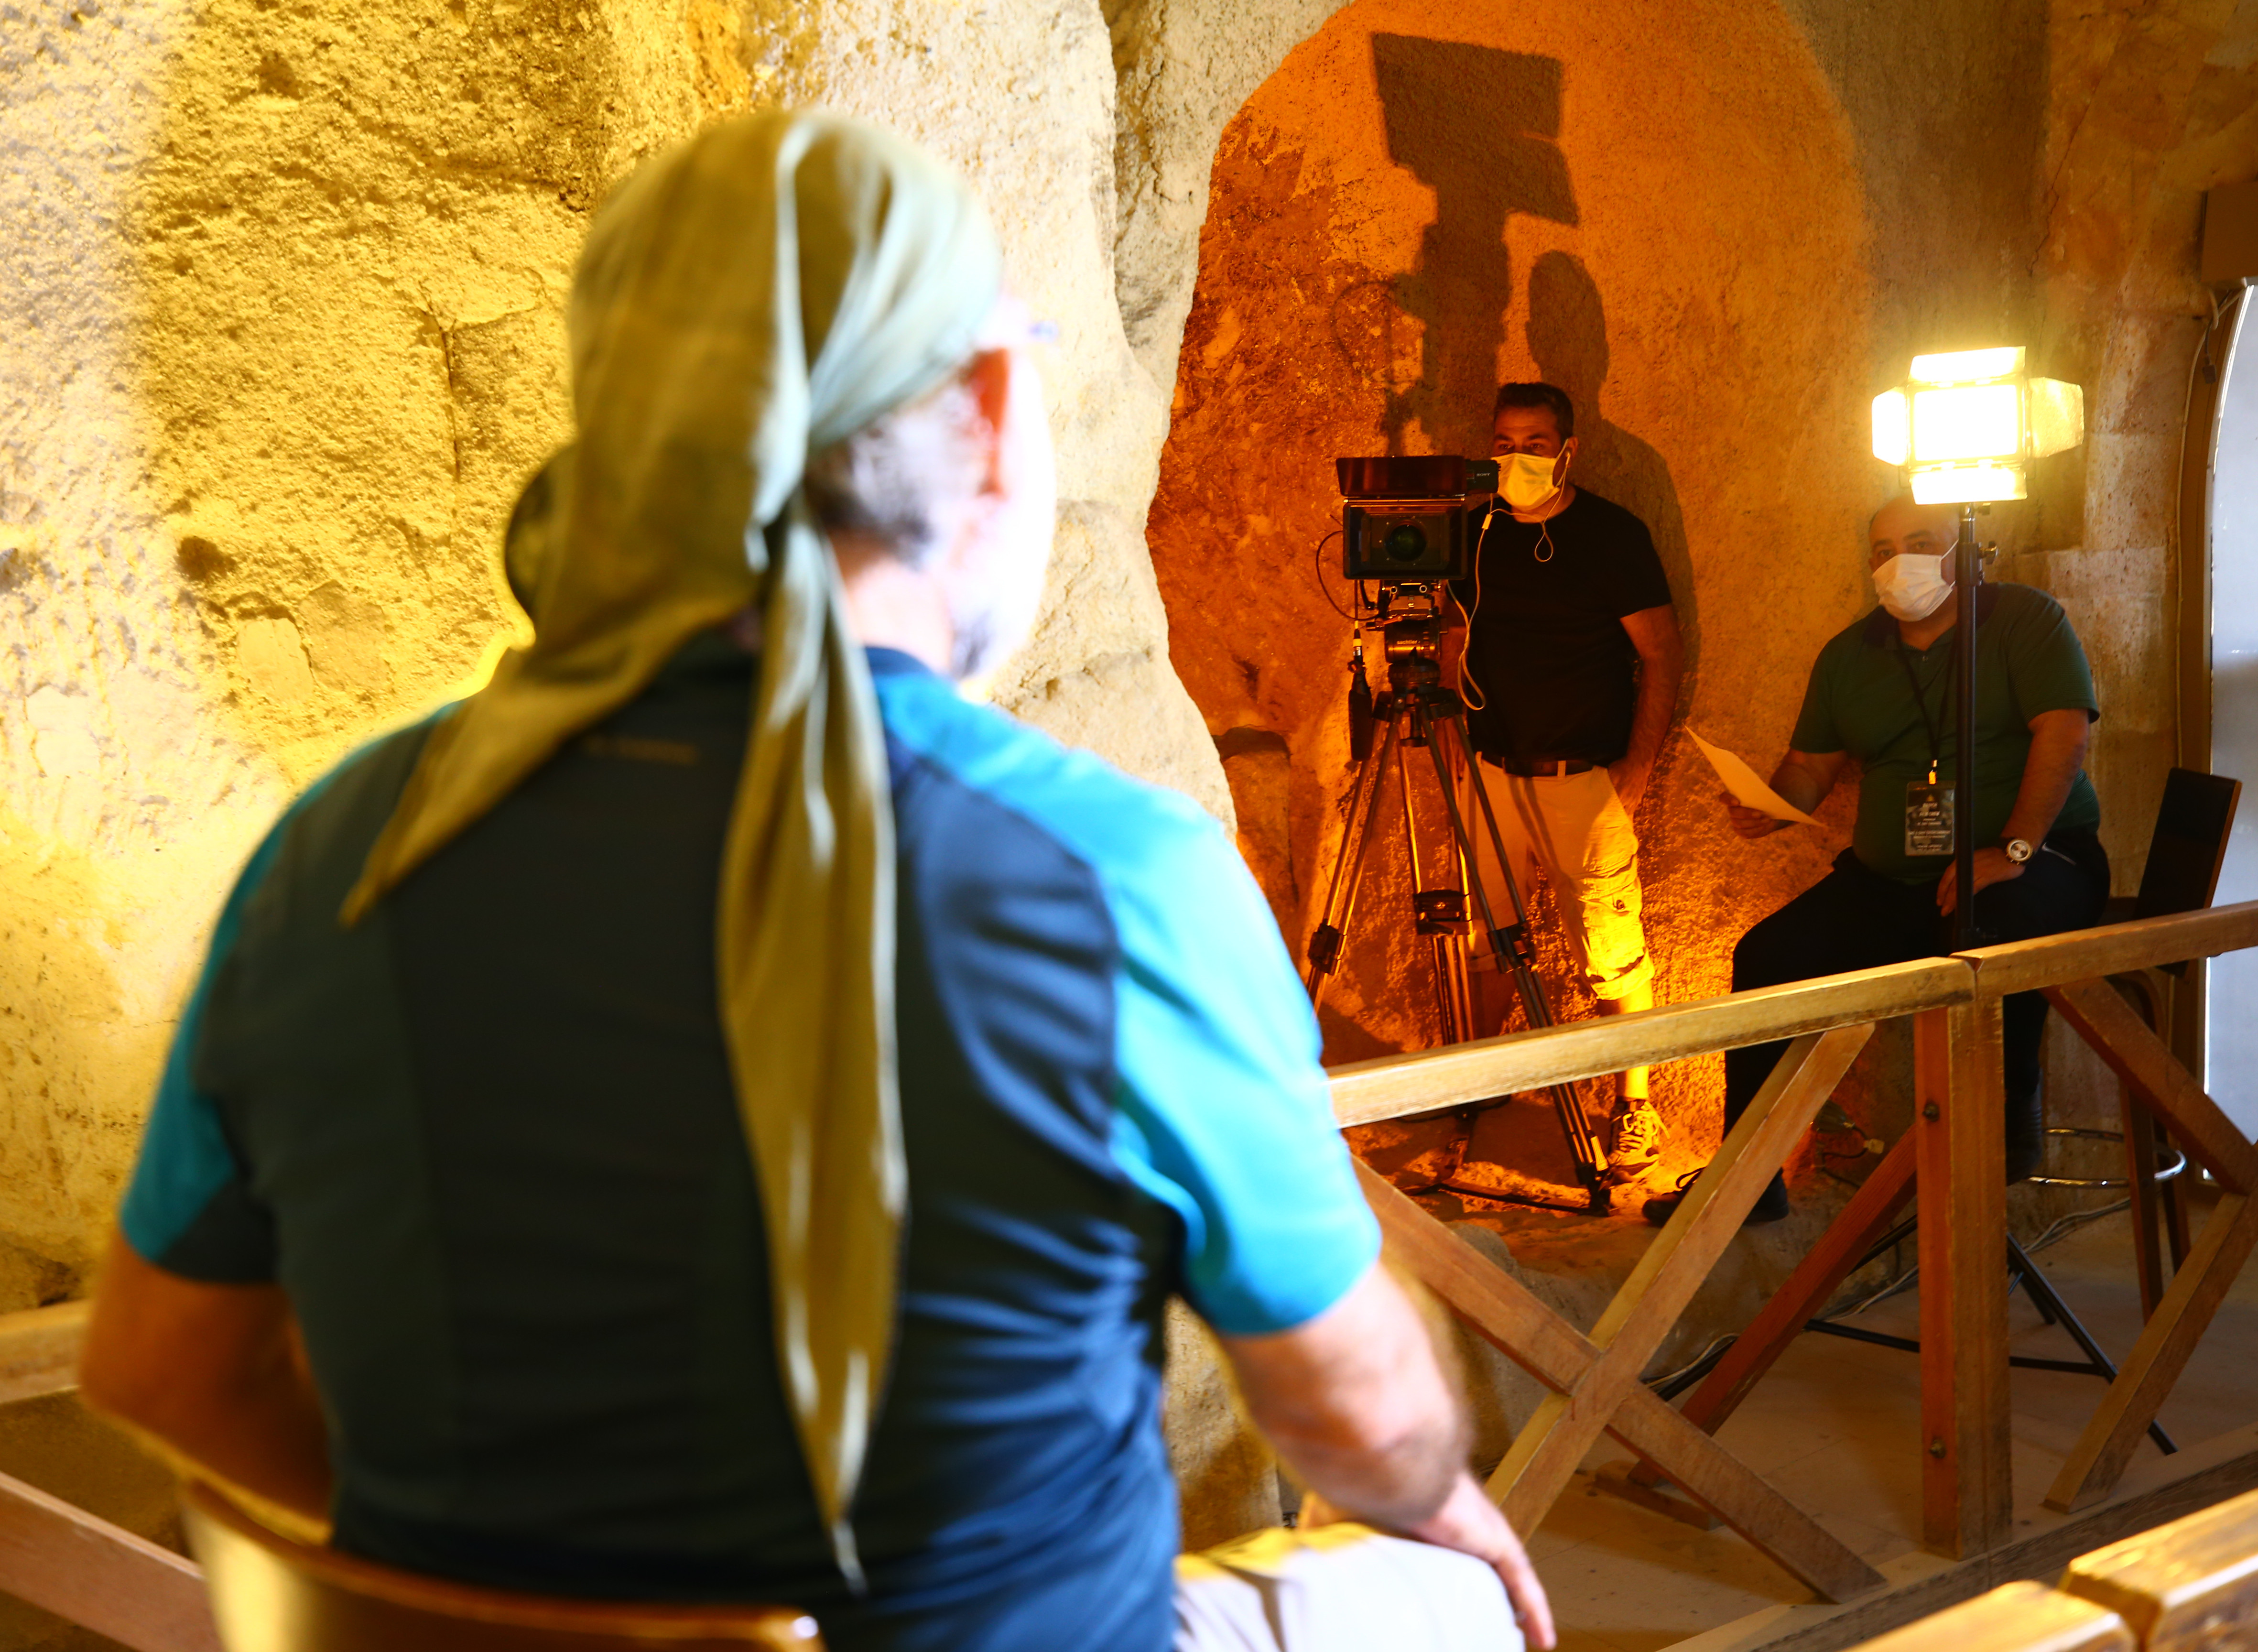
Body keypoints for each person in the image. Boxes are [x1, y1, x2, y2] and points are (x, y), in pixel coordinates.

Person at [78, 113, 1552, 1652]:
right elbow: (1360, 1429)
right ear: (989, 407)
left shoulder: (344, 848)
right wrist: (1433, 1487)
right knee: (1450, 1585)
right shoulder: (1113, 881)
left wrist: (500, 1607)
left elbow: (162, 1370)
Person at [1657, 498, 2106, 1226]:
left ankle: (2003, 1124)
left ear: (1961, 551)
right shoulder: (1850, 654)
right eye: (1881, 549)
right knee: (1769, 955)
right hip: (1892, 879)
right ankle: (1750, 1175)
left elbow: (2064, 734)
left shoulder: (2024, 619)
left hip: (2039, 860)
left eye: (1920, 541)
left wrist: (2014, 847)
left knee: (1987, 933)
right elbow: (1811, 763)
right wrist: (1770, 803)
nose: (1897, 561)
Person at [1447, 382, 1683, 1175]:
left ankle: (1636, 1105)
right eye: (1506, 440)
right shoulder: (1475, 533)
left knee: (1613, 954)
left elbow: (1660, 653)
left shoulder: (1612, 535)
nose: (1519, 457)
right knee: (1487, 945)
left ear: (1568, 449)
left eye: (1537, 442)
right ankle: (1477, 1088)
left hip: (1585, 777)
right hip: (1491, 775)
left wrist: (1638, 769)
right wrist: (1457, 750)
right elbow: (1455, 637)